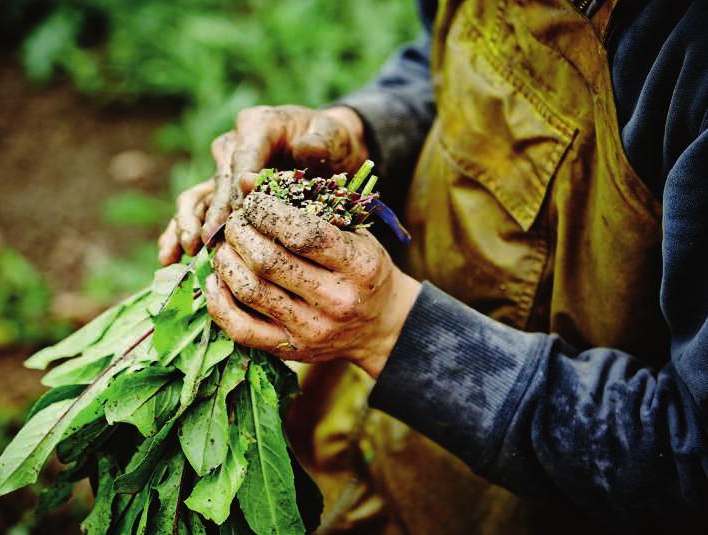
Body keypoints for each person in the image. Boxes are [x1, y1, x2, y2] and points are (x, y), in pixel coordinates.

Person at [159, 0, 708, 532]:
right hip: (371, 420)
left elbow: (692, 467)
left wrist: (396, 331)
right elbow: (448, 63)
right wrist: (361, 133)